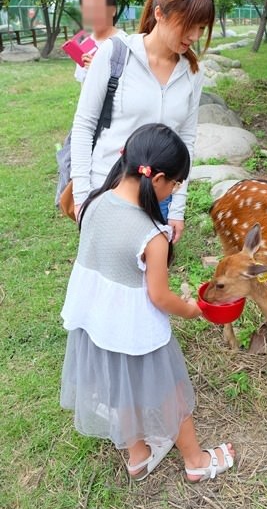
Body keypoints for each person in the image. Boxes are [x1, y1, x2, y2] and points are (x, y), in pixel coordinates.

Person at [60, 123, 235, 482]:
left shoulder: (94, 201)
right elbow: (159, 296)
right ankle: (196, 462)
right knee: (171, 392)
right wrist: (191, 308)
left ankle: (137, 454)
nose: (174, 191)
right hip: (136, 330)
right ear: (156, 180)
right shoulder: (152, 235)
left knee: (119, 387)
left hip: (96, 324)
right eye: (175, 184)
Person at [70, 0, 215, 239]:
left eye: (202, 27)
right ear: (159, 14)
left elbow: (186, 141)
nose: (195, 35)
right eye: (189, 24)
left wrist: (177, 209)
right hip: (107, 191)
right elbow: (83, 126)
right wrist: (82, 198)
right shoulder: (115, 54)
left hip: (160, 199)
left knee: (149, 280)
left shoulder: (193, 73)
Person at [74, 0, 127, 84]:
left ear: (112, 10)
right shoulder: (85, 45)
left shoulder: (124, 43)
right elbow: (84, 86)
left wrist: (99, 69)